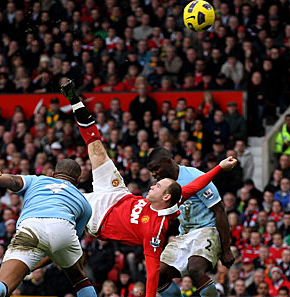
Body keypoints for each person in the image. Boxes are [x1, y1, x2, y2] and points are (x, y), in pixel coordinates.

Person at [59, 79, 237, 297]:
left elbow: (151, 272)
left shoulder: (153, 229)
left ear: (166, 195)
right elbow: (195, 187)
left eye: (157, 177)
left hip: (98, 215)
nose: (153, 179)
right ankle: (76, 102)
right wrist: (219, 167)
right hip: (117, 194)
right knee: (96, 149)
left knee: (194, 269)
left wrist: (226, 248)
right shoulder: (171, 197)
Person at [0, 159, 96, 297]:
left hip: (31, 227)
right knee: (79, 279)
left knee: (3, 283)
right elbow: (61, 246)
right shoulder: (85, 204)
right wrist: (36, 264)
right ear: (78, 180)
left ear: (53, 175)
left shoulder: (37, 180)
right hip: (63, 228)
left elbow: (13, 180)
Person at [146, 149, 235, 297]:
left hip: (207, 230)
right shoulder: (161, 186)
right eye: (151, 170)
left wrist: (226, 249)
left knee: (194, 268)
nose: (154, 174)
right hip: (185, 234)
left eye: (156, 169)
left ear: (168, 162)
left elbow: (220, 210)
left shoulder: (194, 177)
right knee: (157, 276)